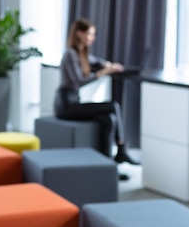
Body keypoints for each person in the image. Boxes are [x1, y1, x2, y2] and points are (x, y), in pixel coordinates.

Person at [54, 18, 139, 168]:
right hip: (66, 105)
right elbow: (79, 81)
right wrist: (103, 72)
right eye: (90, 34)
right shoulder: (70, 54)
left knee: (108, 118)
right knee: (113, 105)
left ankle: (106, 165)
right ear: (80, 34)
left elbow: (96, 61)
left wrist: (109, 65)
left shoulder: (82, 54)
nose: (93, 38)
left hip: (74, 102)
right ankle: (121, 149)